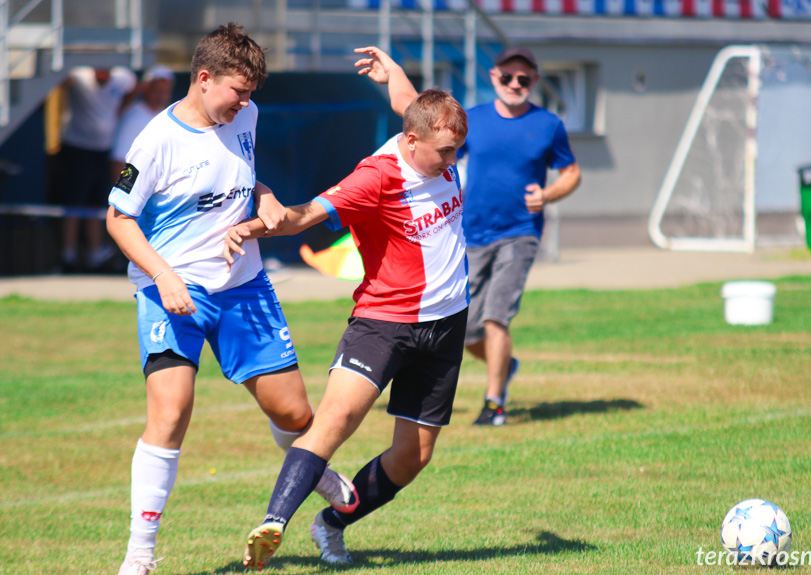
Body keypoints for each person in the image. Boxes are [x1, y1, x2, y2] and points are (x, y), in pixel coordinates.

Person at [106, 24, 357, 575]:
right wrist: (165, 276)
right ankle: (139, 555)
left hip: (243, 287)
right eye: (237, 92)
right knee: (170, 413)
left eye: (250, 95)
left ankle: (312, 468)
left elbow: (240, 176)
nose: (246, 104)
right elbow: (119, 219)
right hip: (171, 291)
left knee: (293, 413)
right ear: (203, 78)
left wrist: (265, 197)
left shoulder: (244, 115)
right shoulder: (154, 142)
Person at [225, 47, 468, 570]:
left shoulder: (426, 132)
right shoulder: (376, 177)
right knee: (335, 421)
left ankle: (331, 524)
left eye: (457, 151)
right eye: (446, 152)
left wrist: (393, 73)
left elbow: (410, 103)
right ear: (411, 141)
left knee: (414, 456)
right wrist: (257, 224)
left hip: (446, 327)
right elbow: (304, 215)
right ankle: (274, 523)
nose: (453, 162)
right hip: (384, 324)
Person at [458, 46, 582, 426]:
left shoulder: (548, 125)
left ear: (534, 82)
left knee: (497, 317)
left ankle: (494, 404)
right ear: (493, 77)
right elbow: (441, 158)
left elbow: (572, 172)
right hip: (471, 231)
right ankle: (505, 364)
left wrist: (546, 195)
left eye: (523, 79)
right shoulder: (471, 119)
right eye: (508, 77)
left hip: (520, 232)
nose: (515, 84)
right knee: (463, 328)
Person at [59, 65, 137, 272]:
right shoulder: (77, 75)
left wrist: (118, 111)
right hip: (76, 148)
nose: (102, 74)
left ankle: (95, 253)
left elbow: (134, 86)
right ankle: (68, 254)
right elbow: (60, 80)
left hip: (103, 151)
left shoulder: (123, 78)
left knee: (97, 202)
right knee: (74, 202)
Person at [110, 65, 176, 182]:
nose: (161, 95)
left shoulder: (172, 115)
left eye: (165, 91)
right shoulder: (132, 116)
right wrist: (124, 191)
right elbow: (119, 161)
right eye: (157, 90)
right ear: (146, 88)